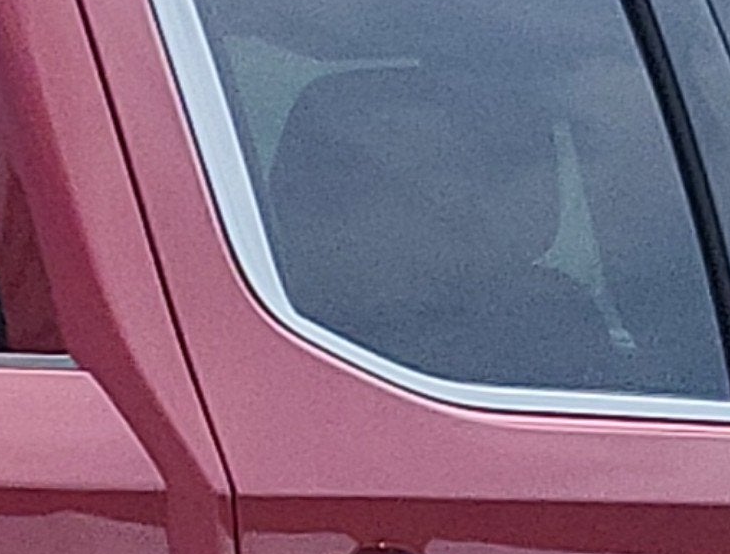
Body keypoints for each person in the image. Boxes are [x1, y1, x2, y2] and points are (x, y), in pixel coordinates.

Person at [258, 60, 632, 393]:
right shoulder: (276, 353)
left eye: (470, 172)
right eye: (413, 179)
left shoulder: (549, 324)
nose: (455, 199)